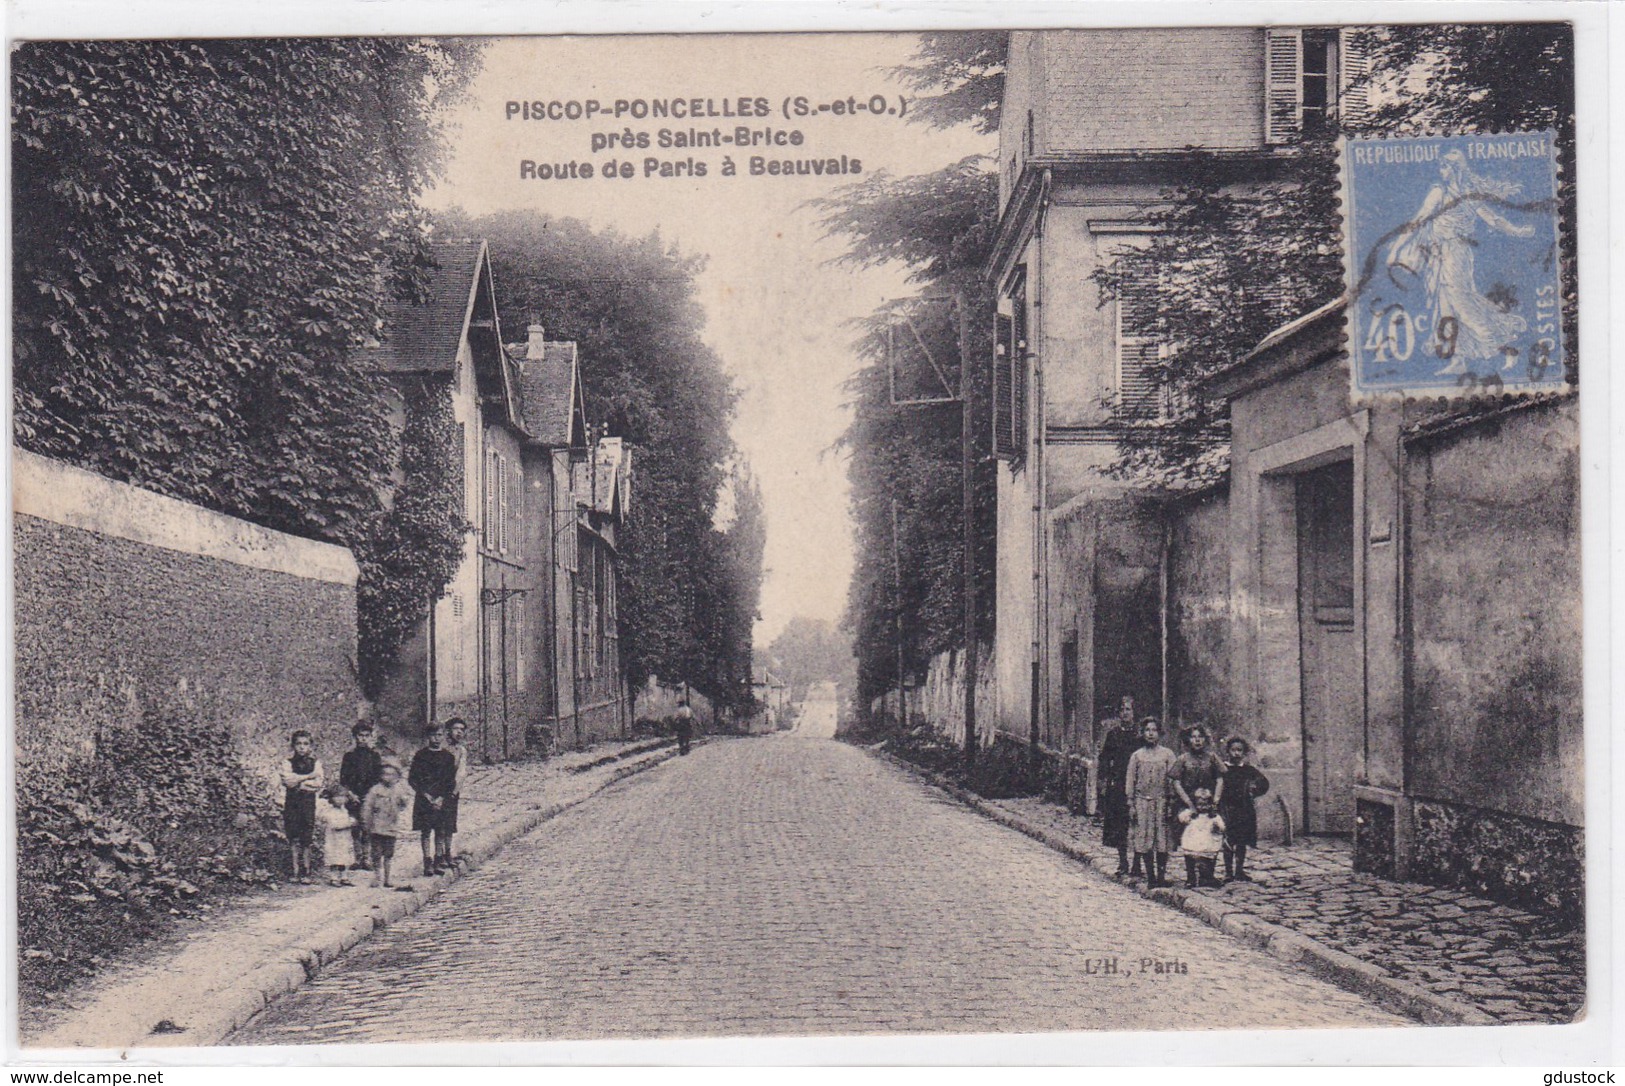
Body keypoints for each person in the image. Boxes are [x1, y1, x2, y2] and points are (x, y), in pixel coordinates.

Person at [1385, 148, 1536, 375]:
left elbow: (1492, 219)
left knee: (1461, 303)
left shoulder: (1467, 195)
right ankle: (1458, 359)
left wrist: (1517, 231)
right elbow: (1418, 220)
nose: (1441, 171)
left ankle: (1504, 348)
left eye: (1445, 167)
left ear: (1456, 170)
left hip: (1456, 253)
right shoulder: (1439, 192)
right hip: (1438, 255)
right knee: (1444, 307)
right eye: (1441, 167)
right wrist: (1397, 246)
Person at [1125, 717, 1176, 889]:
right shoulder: (1137, 756)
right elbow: (1130, 780)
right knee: (1145, 838)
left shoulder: (1167, 754)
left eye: (1154, 730)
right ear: (1142, 733)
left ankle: (1161, 876)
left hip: (1161, 801)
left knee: (1161, 839)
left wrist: (1171, 801)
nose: (1151, 733)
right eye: (1147, 730)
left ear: (1159, 733)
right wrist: (1131, 803)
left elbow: (1173, 780)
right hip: (1142, 802)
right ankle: (1151, 877)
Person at [1096, 697, 1139, 879]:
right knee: (1120, 824)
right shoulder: (1113, 734)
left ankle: (1137, 863)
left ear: (1134, 712)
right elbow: (1105, 758)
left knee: (1138, 824)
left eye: (1128, 709)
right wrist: (1104, 781)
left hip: (1138, 783)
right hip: (1119, 783)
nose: (1125, 713)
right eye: (1122, 709)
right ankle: (1123, 861)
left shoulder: (1139, 734)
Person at [1219, 736, 1271, 883]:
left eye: (1239, 750)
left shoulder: (1248, 770)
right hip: (1228, 809)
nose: (1236, 753)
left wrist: (1253, 790)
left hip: (1244, 810)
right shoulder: (1223, 768)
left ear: (1244, 752)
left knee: (1241, 841)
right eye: (1233, 750)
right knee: (1228, 841)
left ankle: (1239, 870)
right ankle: (1228, 872)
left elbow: (1264, 784)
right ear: (1228, 751)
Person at [408, 723, 458, 876]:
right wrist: (427, 795)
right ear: (427, 736)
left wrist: (442, 797)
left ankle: (438, 859)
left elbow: (450, 781)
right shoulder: (421, 756)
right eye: (433, 735)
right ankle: (427, 860)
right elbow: (413, 778)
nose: (436, 739)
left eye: (440, 735)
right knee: (425, 831)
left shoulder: (448, 757)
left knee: (440, 830)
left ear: (444, 736)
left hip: (442, 799)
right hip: (424, 799)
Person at [279, 730, 325, 885]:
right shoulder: (287, 762)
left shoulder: (316, 763)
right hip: (292, 803)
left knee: (306, 836)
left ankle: (306, 870)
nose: (302, 747)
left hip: (307, 803)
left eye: (305, 744)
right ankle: (294, 870)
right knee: (293, 836)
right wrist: (307, 777)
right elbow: (288, 781)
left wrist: (299, 781)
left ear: (311, 746)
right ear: (293, 745)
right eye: (298, 744)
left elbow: (317, 784)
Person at [1169, 724, 1225, 847]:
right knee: (1189, 837)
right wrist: (1189, 803)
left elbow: (1220, 779)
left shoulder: (1212, 757)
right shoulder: (1183, 759)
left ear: (1205, 739)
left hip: (1208, 803)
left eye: (1200, 736)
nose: (1197, 740)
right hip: (1188, 803)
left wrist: (1215, 801)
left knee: (1211, 836)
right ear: (1188, 740)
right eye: (1193, 737)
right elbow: (1176, 782)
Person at [361, 759, 412, 890]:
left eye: (391, 775)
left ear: (397, 777)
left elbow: (403, 804)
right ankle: (377, 877)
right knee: (376, 854)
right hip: (376, 827)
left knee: (389, 854)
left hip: (391, 827)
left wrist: (403, 802)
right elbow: (367, 807)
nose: (388, 777)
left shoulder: (398, 790)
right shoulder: (375, 790)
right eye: (385, 774)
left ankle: (387, 878)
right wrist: (366, 823)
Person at [339, 719, 383, 871]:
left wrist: (370, 797)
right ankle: (357, 859)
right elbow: (343, 779)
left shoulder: (375, 756)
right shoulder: (349, 756)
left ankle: (367, 858)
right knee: (355, 827)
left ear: (371, 736)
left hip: (368, 797)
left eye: (366, 735)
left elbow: (378, 779)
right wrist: (350, 794)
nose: (363, 738)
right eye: (360, 735)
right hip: (353, 796)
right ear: (355, 737)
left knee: (367, 828)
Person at [1177, 788, 1226, 889]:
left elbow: (1222, 826)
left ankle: (1207, 878)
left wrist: (1217, 827)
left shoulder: (1213, 816)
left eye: (1205, 804)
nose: (1202, 807)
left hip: (1207, 843)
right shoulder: (1191, 814)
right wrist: (1190, 813)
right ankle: (1191, 879)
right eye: (1199, 804)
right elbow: (1181, 818)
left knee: (1208, 861)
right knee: (1190, 861)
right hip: (1192, 842)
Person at [443, 718, 469, 867]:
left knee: (450, 823)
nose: (459, 732)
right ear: (448, 731)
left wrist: (455, 790)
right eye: (455, 729)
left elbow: (461, 772)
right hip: (439, 789)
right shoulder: (443, 748)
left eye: (462, 729)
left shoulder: (461, 751)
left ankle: (448, 853)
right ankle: (438, 855)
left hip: (452, 790)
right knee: (438, 823)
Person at [318, 787, 356, 886]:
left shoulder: (344, 810)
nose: (340, 799)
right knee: (334, 858)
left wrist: (351, 820)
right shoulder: (329, 811)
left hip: (345, 839)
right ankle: (334, 878)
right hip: (334, 840)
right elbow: (335, 826)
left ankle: (344, 876)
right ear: (332, 798)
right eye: (337, 797)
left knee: (345, 857)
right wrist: (349, 823)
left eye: (342, 797)